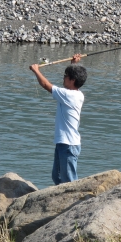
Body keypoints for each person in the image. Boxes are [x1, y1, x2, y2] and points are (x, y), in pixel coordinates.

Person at [30, 54, 87, 185]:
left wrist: (36, 70)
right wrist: (74, 65)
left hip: (68, 145)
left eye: (65, 76)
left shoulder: (68, 95)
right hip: (63, 143)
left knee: (68, 181)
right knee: (57, 177)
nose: (63, 77)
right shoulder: (75, 94)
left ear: (72, 80)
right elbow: (68, 85)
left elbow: (46, 84)